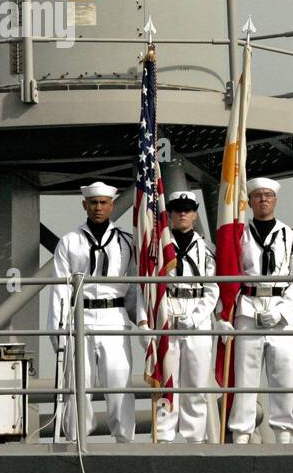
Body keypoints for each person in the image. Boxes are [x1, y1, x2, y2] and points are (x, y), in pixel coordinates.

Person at [46, 182, 143, 442]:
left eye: (103, 203)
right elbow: (60, 289)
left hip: (114, 317)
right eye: (93, 203)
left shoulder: (127, 242)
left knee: (119, 380)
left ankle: (124, 439)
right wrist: (58, 331)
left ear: (111, 206)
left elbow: (134, 286)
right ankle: (77, 438)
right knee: (79, 381)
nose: (98, 208)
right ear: (84, 205)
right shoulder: (70, 242)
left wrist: (141, 321)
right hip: (81, 317)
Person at [218, 177, 293, 444]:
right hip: (248, 309)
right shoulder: (239, 235)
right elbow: (228, 272)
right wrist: (224, 313)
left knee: (284, 377)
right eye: (257, 196)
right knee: (245, 378)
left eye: (268, 195)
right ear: (250, 201)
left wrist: (283, 311)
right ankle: (241, 433)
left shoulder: (289, 235)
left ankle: (284, 435)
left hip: (280, 311)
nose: (263, 200)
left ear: (275, 200)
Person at [154, 191, 218, 443]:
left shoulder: (206, 248)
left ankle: (194, 438)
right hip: (168, 316)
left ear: (195, 213)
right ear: (169, 212)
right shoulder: (158, 246)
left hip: (196, 319)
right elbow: (148, 287)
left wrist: (196, 317)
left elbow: (213, 287)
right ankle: (164, 437)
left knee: (196, 384)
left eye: (188, 209)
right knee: (166, 384)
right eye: (178, 209)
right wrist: (161, 317)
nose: (183, 213)